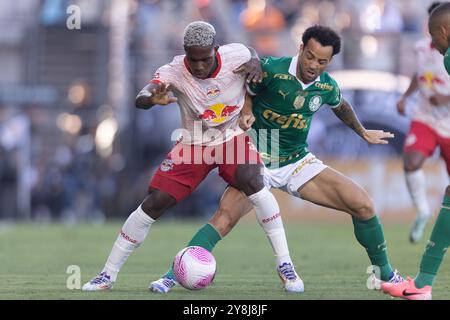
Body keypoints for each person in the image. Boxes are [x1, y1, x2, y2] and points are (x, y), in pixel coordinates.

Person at [150, 25, 403, 294]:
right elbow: (245, 90)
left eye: (322, 61)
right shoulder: (272, 68)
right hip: (255, 158)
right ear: (301, 49)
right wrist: (247, 111)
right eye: (310, 56)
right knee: (224, 218)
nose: (313, 65)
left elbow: (340, 105)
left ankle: (383, 274)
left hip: (296, 161)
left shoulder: (326, 86)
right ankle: (171, 275)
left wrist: (362, 132)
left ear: (329, 62)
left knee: (363, 205)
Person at [82, 21, 304, 292]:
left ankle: (285, 265)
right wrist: (151, 99)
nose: (198, 66)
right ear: (185, 52)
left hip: (231, 138)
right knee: (154, 203)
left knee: (253, 181)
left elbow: (249, 51)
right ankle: (107, 274)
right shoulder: (174, 70)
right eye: (193, 58)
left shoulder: (235, 55)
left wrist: (256, 61)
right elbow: (144, 94)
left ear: (216, 50)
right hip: (194, 143)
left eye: (204, 58)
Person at [381, 2, 450, 300]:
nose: (434, 41)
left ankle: (422, 285)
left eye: (437, 34)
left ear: (445, 30)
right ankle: (422, 284)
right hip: (428, 121)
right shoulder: (432, 54)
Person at [396, 1, 450, 243]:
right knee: (411, 160)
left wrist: (446, 97)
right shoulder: (422, 48)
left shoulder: (446, 54)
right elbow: (419, 75)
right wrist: (406, 97)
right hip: (425, 117)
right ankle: (422, 211)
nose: (429, 32)